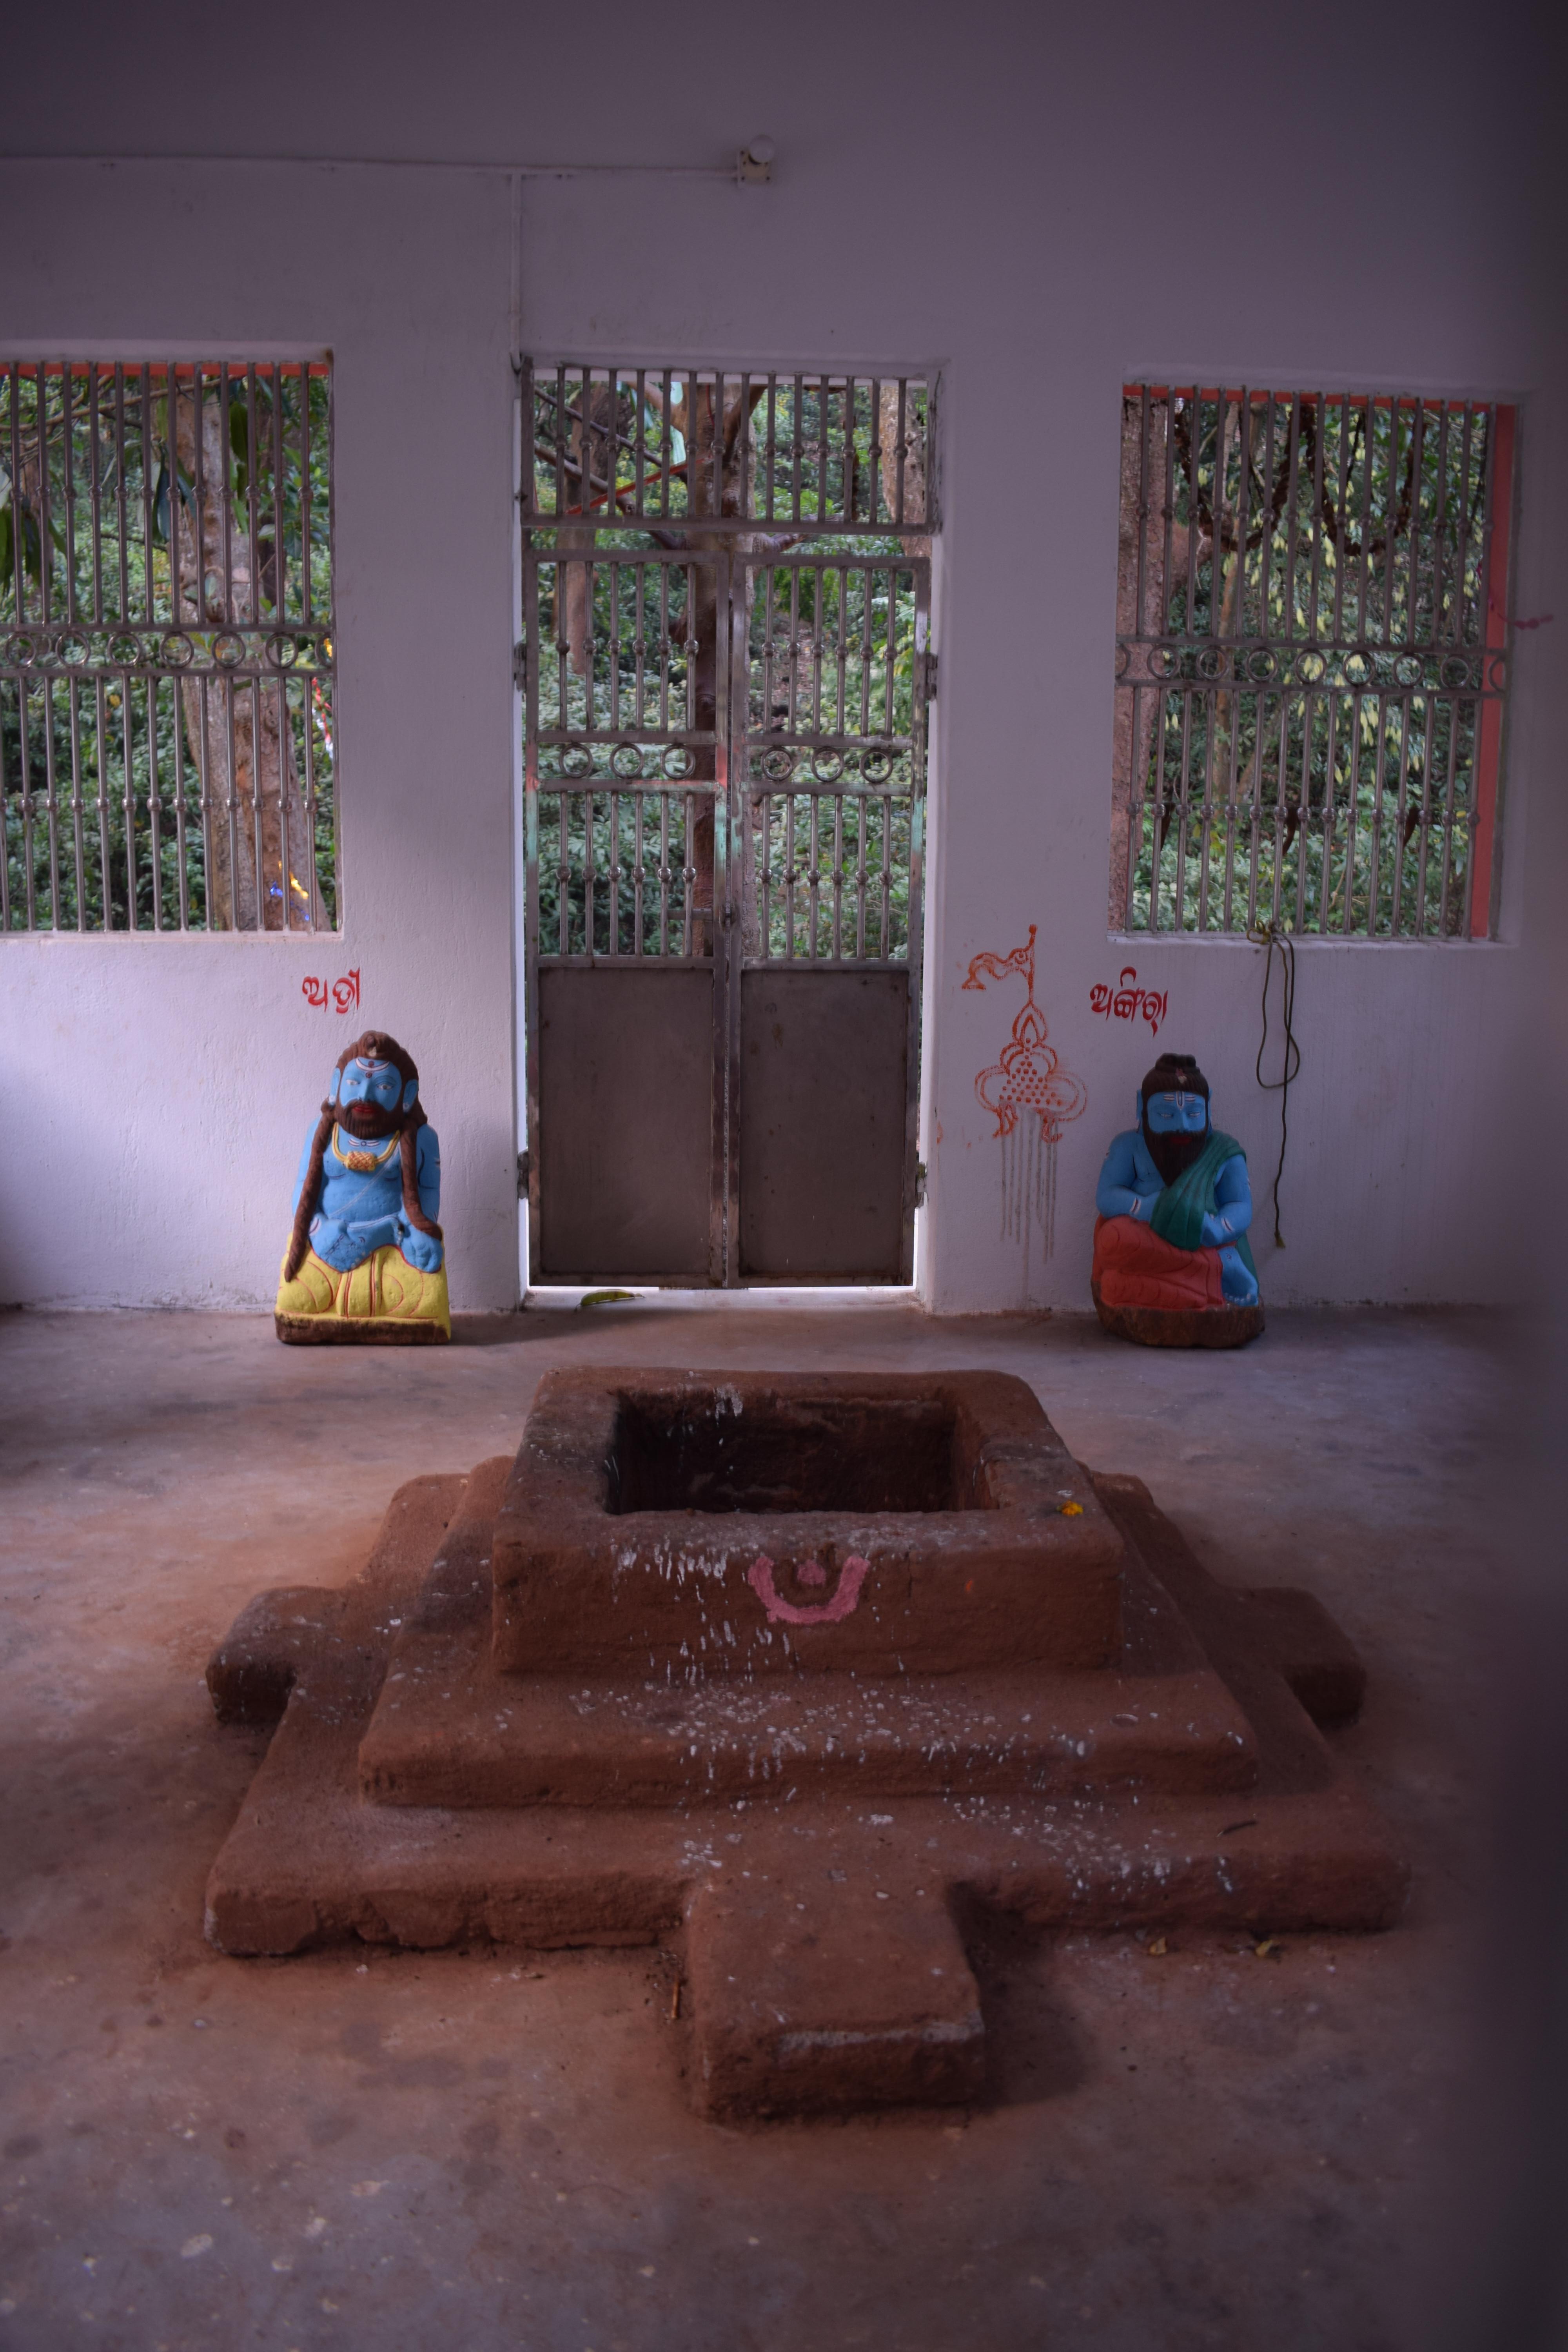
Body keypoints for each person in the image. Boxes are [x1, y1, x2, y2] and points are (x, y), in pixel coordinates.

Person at [274, 1029, 450, 1343]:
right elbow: (303, 1191)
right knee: (298, 1294)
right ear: (336, 1086)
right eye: (355, 1083)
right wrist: (317, 1229)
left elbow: (428, 1199)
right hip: (329, 1237)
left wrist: (412, 1233)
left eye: (383, 1086)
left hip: (393, 1240)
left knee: (424, 1285)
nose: (366, 1096)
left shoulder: (422, 1139)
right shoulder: (322, 1132)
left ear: (407, 1095)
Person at [1092, 1050, 1259, 1314]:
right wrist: (1145, 1207)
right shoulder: (1128, 1146)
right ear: (1142, 1106)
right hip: (1147, 1232)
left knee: (1118, 1280)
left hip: (1204, 1235)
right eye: (1167, 1115)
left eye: (1193, 1113)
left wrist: (1220, 1227)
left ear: (1209, 1106)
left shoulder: (1224, 1150)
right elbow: (1107, 1195)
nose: (1182, 1126)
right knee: (1113, 1240)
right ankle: (1216, 1269)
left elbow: (1240, 1204)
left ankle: (1211, 1270)